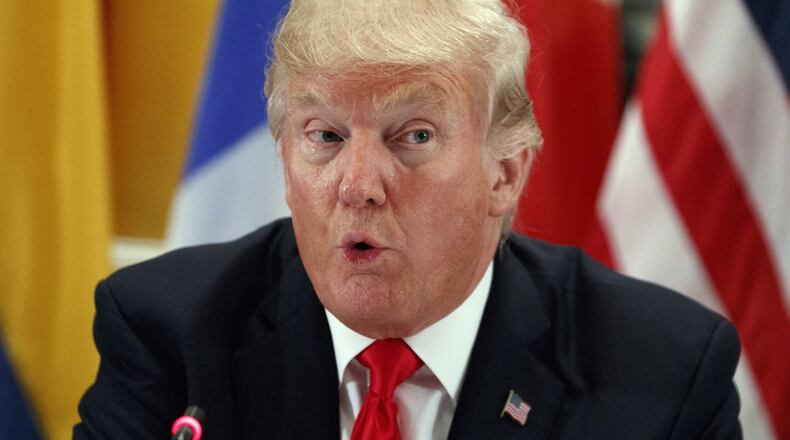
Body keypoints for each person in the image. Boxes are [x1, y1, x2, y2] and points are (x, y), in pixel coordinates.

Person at [74, 0, 742, 439]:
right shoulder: (168, 334)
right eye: (325, 136)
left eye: (414, 136)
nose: (358, 186)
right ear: (283, 161)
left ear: (505, 173)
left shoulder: (663, 370)